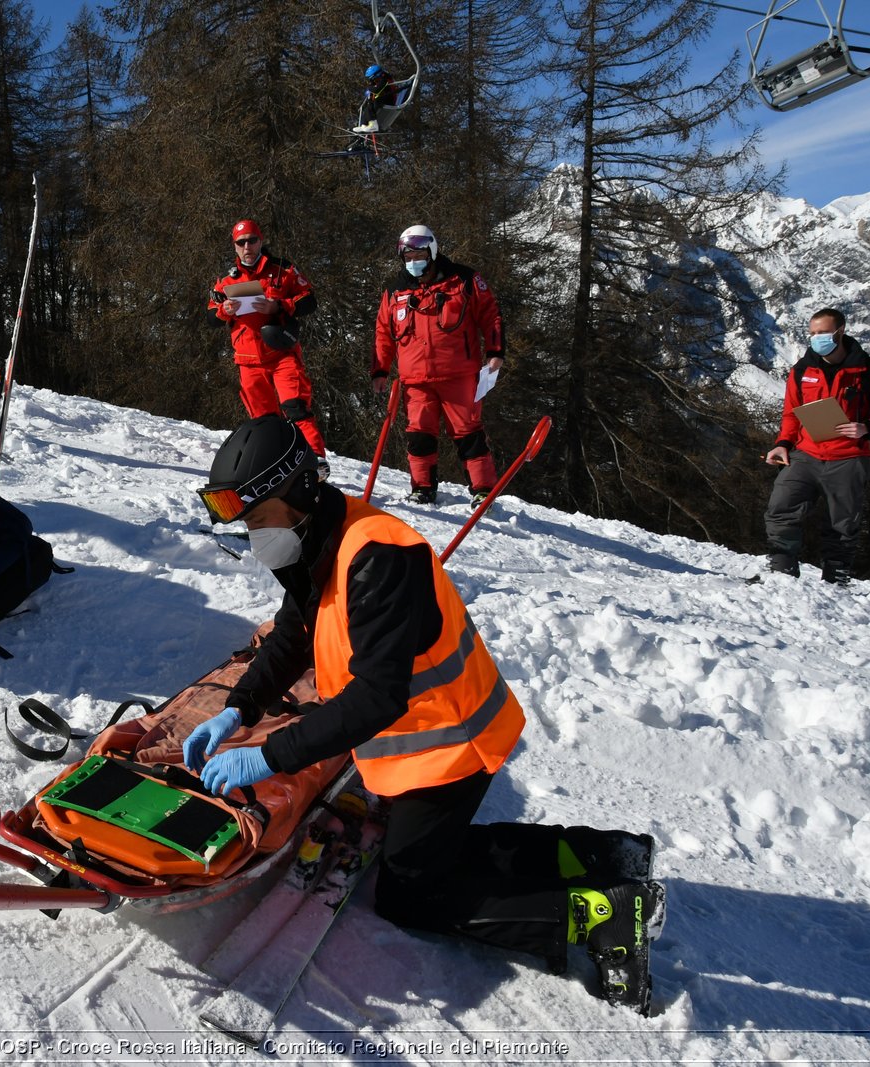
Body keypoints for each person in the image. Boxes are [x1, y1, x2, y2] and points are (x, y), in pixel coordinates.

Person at [187, 415, 666, 1014]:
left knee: (409, 895)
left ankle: (599, 916)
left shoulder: (378, 557)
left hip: (451, 746)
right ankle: (600, 853)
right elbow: (293, 635)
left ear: (300, 494)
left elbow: (376, 698)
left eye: (258, 520)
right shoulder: (316, 545)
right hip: (420, 747)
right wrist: (239, 708)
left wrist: (269, 754)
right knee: (428, 853)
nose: (255, 538)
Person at [371, 224, 505, 506]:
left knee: (468, 433)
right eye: (407, 257)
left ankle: (483, 491)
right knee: (418, 435)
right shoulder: (395, 291)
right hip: (415, 379)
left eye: (418, 254)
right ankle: (422, 488)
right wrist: (380, 370)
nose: (413, 262)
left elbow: (490, 314)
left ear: (431, 250)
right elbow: (384, 332)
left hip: (459, 375)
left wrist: (495, 351)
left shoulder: (464, 280)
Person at [208, 219, 329, 475]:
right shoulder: (227, 280)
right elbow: (210, 317)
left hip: (281, 353)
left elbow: (310, 300)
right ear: (235, 247)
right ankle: (278, 465)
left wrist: (280, 306)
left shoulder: (282, 270)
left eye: (252, 240)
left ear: (261, 241)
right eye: (241, 243)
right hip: (247, 359)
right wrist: (223, 311)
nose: (247, 247)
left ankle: (315, 460)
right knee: (264, 422)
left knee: (295, 406)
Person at [761, 307, 870, 584]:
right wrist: (783, 444)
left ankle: (836, 579)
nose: (816, 338)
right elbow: (791, 413)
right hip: (806, 453)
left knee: (842, 522)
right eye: (812, 334)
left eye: (822, 333)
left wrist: (866, 428)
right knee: (781, 505)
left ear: (840, 331)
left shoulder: (866, 371)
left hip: (850, 457)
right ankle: (781, 569)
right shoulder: (801, 370)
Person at [352, 64, 402, 135]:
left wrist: (369, 88)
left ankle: (373, 125)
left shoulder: (384, 80)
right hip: (383, 99)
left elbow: (376, 90)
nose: (373, 81)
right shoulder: (380, 80)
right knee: (367, 107)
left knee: (371, 104)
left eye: (373, 79)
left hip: (389, 100)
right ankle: (363, 125)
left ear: (377, 75)